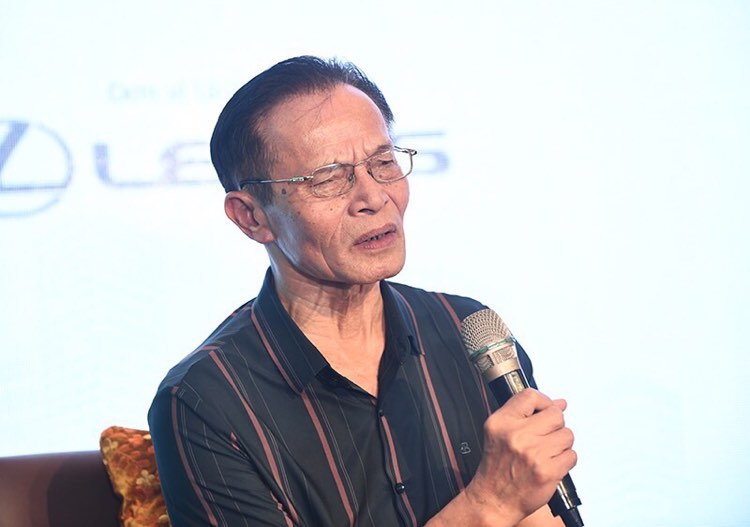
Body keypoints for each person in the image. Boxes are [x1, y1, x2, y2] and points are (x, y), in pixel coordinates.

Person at [148, 55, 577, 527]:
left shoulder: (466, 331)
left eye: (383, 163)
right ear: (252, 217)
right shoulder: (205, 400)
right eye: (329, 178)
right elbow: (500, 501)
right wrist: (488, 506)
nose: (374, 197)